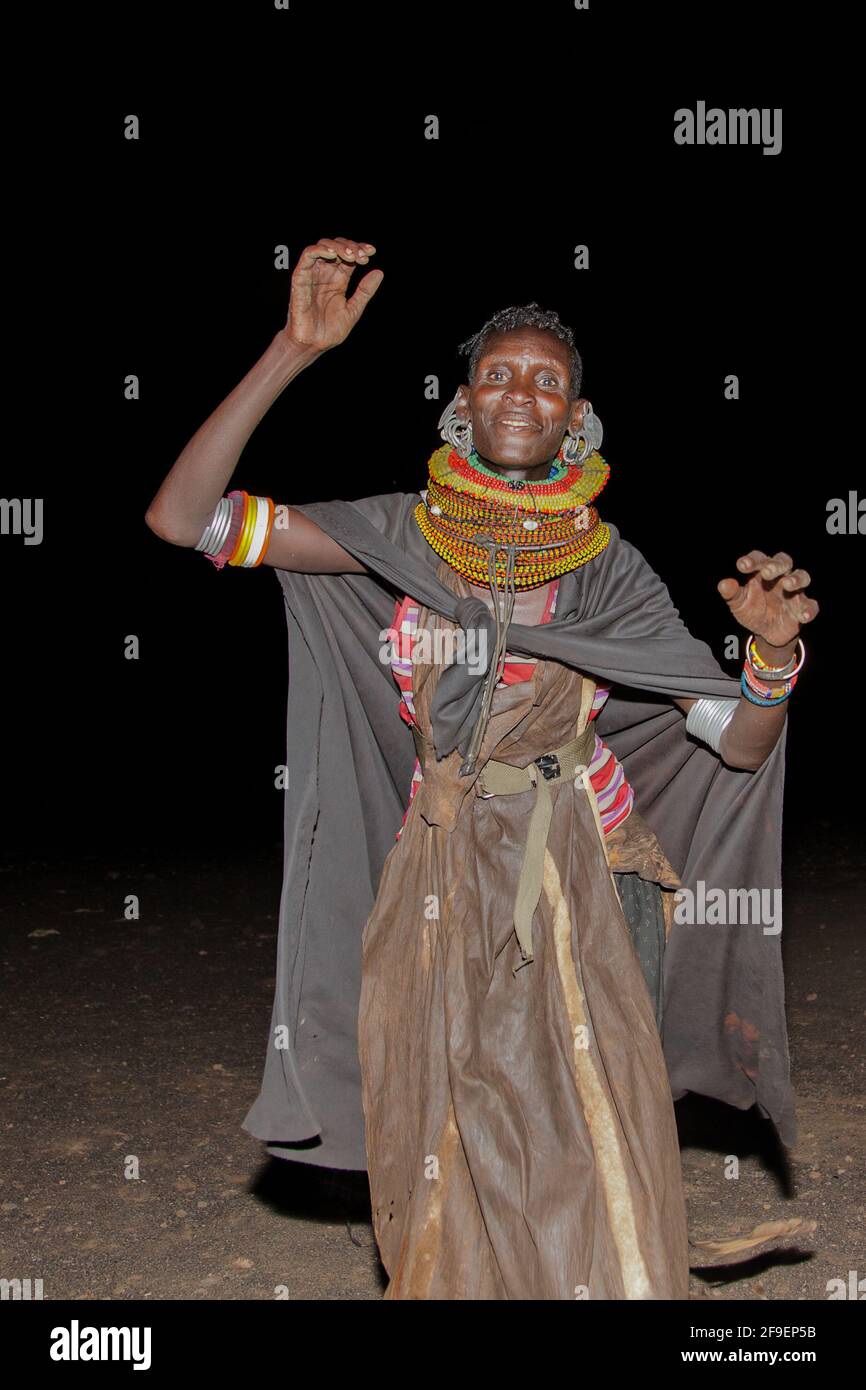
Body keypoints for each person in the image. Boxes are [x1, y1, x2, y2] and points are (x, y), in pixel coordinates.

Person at [145, 237, 818, 1300]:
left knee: (588, 1123)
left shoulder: (607, 569)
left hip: (585, 879)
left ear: (577, 420)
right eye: (498, 373)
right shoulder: (397, 533)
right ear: (461, 402)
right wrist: (290, 349)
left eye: (548, 381)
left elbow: (734, 741)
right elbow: (185, 521)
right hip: (441, 876)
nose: (522, 392)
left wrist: (770, 662)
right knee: (444, 1119)